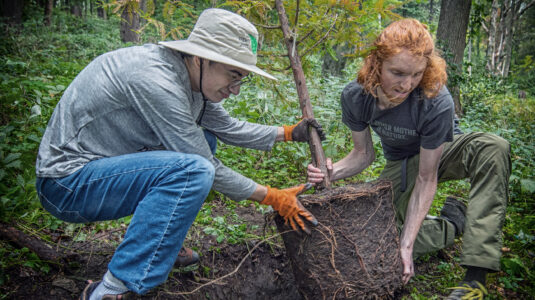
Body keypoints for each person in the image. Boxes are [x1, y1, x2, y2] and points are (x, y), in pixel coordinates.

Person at [35, 8, 322, 300]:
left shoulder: (189, 77)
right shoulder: (156, 80)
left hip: (103, 171)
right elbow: (206, 166)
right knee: (194, 170)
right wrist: (271, 196)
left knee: (205, 142)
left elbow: (226, 127)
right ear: (200, 57)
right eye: (233, 75)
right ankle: (111, 288)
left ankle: (161, 247)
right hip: (67, 183)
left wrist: (288, 133)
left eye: (242, 79)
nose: (235, 90)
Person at [307, 18, 510, 299]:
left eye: (416, 74)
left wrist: (407, 244)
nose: (407, 84)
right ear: (377, 63)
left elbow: (427, 178)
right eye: (398, 73)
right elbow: (362, 154)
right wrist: (331, 172)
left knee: (493, 147)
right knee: (377, 240)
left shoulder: (435, 99)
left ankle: (475, 276)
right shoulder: (356, 97)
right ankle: (452, 225)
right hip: (401, 163)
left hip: (444, 151)